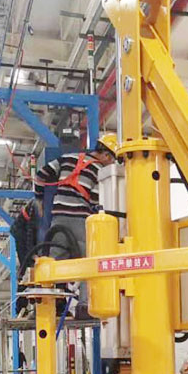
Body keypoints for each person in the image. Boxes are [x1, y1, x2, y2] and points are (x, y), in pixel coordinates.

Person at [33, 133, 117, 316]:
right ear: (106, 155)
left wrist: (39, 198)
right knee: (89, 262)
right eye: (112, 159)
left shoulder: (68, 158)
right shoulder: (99, 170)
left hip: (58, 219)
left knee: (53, 262)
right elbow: (95, 201)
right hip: (80, 221)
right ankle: (84, 306)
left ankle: (47, 306)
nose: (111, 164)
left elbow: (41, 175)